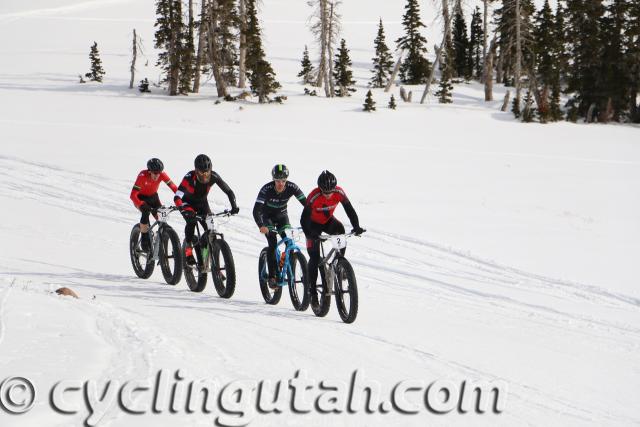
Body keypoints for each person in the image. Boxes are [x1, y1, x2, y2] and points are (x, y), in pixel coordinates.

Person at [301, 170, 365, 291]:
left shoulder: (339, 192)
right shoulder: (313, 196)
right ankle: (312, 291)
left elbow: (349, 209)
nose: (328, 194)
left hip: (328, 221)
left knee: (340, 230)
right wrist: (309, 234)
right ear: (320, 189)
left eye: (330, 191)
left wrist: (356, 226)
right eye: (325, 192)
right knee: (314, 258)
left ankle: (340, 265)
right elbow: (303, 220)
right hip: (312, 225)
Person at [174, 154, 239, 265]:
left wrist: (234, 206)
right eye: (201, 172)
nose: (205, 175)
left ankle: (207, 260)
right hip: (187, 204)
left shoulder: (214, 176)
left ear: (211, 169)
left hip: (202, 203)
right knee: (192, 222)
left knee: (210, 230)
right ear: (196, 171)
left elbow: (228, 191)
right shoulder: (189, 177)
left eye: (207, 172)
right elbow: (177, 196)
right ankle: (188, 250)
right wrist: (182, 209)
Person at [253, 164, 307, 288]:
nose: (281, 184)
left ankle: (286, 265)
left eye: (283, 181)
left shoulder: (292, 187)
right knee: (272, 242)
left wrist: (311, 220)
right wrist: (261, 225)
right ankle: (272, 276)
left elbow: (307, 205)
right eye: (278, 181)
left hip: (282, 216)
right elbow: (256, 210)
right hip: (267, 218)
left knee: (290, 242)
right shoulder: (266, 189)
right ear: (273, 180)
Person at [130, 158, 178, 252]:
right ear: (149, 171)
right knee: (145, 212)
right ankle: (144, 239)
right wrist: (141, 204)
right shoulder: (142, 175)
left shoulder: (162, 175)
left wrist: (182, 199)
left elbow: (174, 187)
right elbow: (132, 195)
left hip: (153, 198)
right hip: (140, 198)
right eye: (155, 173)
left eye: (159, 173)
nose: (157, 175)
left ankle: (161, 245)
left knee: (162, 220)